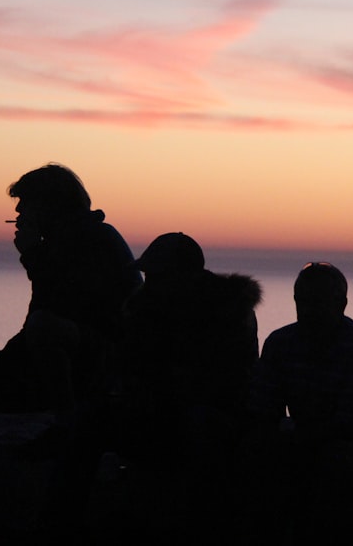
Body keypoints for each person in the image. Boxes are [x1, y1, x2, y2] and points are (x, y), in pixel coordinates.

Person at [36, 232, 262, 543]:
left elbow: (230, 384)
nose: (150, 282)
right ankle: (60, 523)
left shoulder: (230, 313)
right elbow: (124, 365)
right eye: (149, 275)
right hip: (154, 412)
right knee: (89, 419)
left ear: (187, 276)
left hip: (208, 417)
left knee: (200, 429)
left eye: (158, 275)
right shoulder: (145, 310)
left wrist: (165, 390)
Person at [243, 262, 353, 546]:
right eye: (303, 301)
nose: (309, 310)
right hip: (316, 437)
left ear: (342, 304)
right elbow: (264, 411)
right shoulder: (281, 343)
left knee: (335, 468)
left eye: (318, 301)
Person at [0, 164, 141, 414]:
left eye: (25, 201)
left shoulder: (89, 239)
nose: (18, 210)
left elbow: (60, 306)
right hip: (87, 346)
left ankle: (66, 418)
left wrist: (32, 254)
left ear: (49, 204)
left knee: (41, 330)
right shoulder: (66, 238)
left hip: (109, 356)